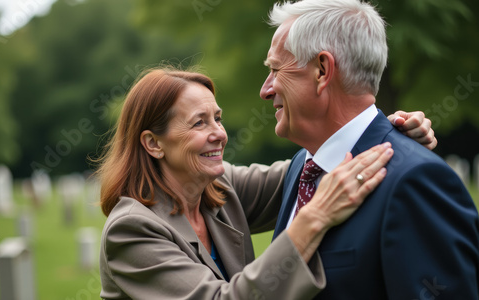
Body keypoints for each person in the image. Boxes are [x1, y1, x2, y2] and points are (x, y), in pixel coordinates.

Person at [95, 66, 441, 299]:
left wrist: (388, 138)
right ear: (153, 144)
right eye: (199, 123)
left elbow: (313, 169)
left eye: (217, 118)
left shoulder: (218, 187)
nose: (219, 134)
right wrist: (314, 219)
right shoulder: (131, 230)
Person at [261, 0, 479, 299]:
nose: (266, 89)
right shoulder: (302, 165)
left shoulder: (416, 181)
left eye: (275, 69)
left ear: (322, 71)